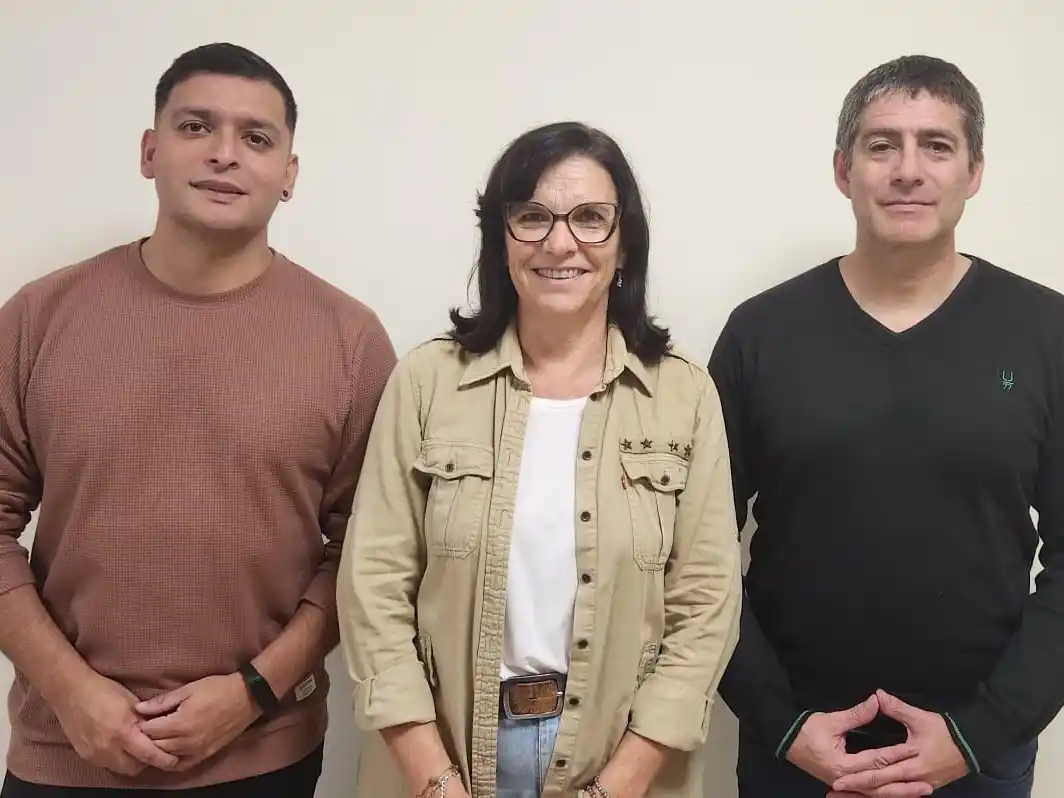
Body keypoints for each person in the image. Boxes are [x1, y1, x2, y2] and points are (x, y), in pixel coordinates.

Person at [0, 42, 396, 797]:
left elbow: (367, 552)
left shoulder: (349, 341)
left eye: (256, 138)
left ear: (289, 175)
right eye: (195, 127)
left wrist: (254, 690)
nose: (224, 154)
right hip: (63, 752)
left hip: (264, 755)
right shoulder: (37, 319)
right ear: (150, 151)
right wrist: (70, 691)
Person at [335, 120, 743, 798]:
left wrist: (619, 785)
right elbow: (373, 587)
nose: (560, 242)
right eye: (532, 217)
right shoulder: (427, 382)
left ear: (624, 242)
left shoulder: (682, 395)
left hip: (621, 764)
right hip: (444, 759)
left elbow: (705, 602)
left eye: (590, 218)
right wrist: (435, 781)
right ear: (501, 239)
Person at [710, 53, 1064, 798]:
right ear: (844, 170)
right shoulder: (760, 335)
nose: (909, 169)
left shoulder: (1045, 331)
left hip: (979, 756)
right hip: (795, 755)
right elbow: (694, 554)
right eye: (882, 145)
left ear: (974, 172)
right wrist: (781, 722)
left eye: (937, 145)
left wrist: (981, 732)